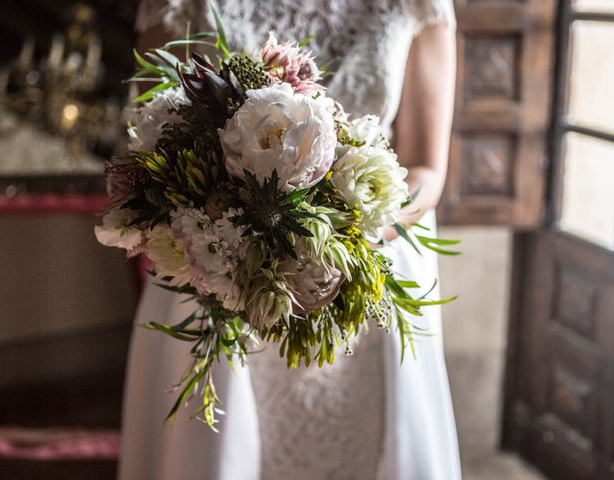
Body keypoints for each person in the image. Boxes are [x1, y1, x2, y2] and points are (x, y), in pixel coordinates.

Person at [120, 1, 460, 478]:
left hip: (363, 264)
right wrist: (232, 232)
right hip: (217, 270)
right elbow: (150, 139)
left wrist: (341, 235)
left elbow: (427, 170)